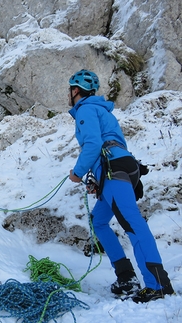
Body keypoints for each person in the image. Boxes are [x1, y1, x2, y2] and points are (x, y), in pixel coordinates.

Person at [67, 69, 174, 303]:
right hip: (121, 167)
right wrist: (97, 179)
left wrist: (77, 173)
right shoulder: (101, 110)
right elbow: (110, 143)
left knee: (132, 222)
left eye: (71, 90)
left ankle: (158, 285)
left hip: (113, 169)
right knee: (99, 221)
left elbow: (94, 144)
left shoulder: (85, 109)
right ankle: (126, 277)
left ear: (75, 90)